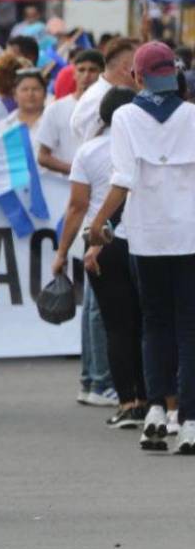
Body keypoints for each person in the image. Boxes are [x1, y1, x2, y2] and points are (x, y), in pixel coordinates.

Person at [90, 43, 195, 454]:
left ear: (136, 77)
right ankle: (188, 420)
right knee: (189, 327)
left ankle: (154, 410)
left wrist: (98, 223)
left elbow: (123, 178)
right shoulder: (192, 116)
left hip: (146, 234)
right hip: (189, 234)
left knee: (154, 323)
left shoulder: (125, 116)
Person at [53, 86, 143, 426]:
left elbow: (76, 208)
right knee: (147, 323)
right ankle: (155, 399)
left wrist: (61, 252)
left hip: (100, 241)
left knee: (117, 326)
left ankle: (128, 402)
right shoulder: (143, 147)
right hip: (144, 239)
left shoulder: (88, 151)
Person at [37, 49, 103, 176]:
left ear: (102, 74)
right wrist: (75, 171)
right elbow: (43, 156)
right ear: (74, 74)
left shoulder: (109, 108)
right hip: (64, 188)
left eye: (92, 70)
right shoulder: (55, 109)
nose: (86, 75)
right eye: (81, 70)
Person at [70, 38, 137, 144]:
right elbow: (94, 149)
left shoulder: (117, 94)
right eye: (140, 63)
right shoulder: (97, 99)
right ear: (126, 69)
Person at [0, 68, 48, 147]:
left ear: (45, 94)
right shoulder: (3, 126)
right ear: (15, 95)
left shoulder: (54, 122)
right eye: (25, 90)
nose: (30, 94)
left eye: (35, 89)